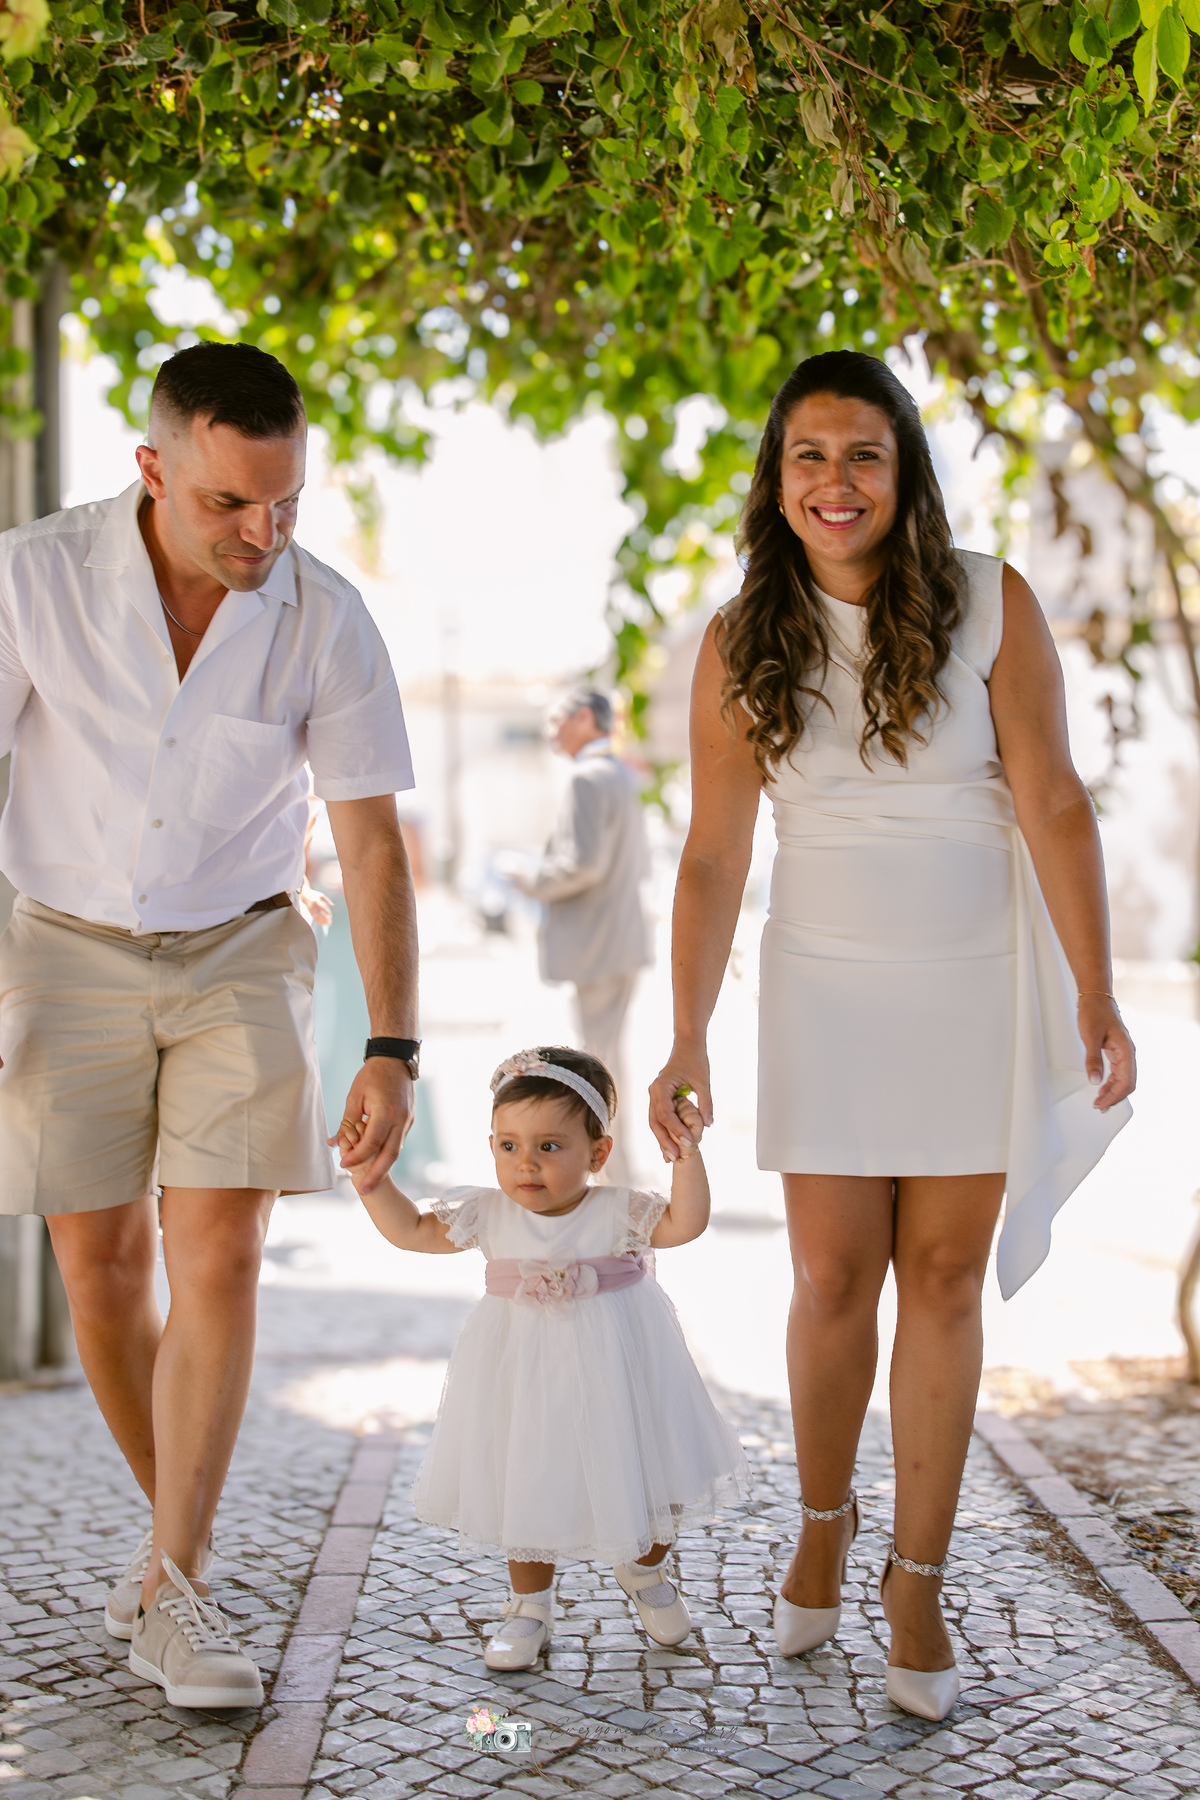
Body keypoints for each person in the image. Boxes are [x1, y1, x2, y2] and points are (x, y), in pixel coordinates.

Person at [648, 350, 1136, 1723]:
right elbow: (709, 856)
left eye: (863, 454)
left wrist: (1094, 990)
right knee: (826, 1278)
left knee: (941, 1277)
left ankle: (915, 1576)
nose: (835, 482)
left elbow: (1055, 802)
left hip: (976, 976)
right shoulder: (745, 634)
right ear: (776, 479)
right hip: (826, 982)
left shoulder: (993, 600)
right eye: (808, 457)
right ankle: (822, 1520)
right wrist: (684, 1032)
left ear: (905, 470)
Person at [0, 343, 420, 1709]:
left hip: (245, 943)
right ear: (153, 468)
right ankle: (171, 1558)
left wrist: (392, 1048)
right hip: (64, 944)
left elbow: (371, 848)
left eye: (286, 502)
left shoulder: (324, 616)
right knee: (103, 1270)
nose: (264, 532)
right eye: (232, 504)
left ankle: (175, 1584)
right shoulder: (33, 579)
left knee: (223, 1249)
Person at [337, 1044, 749, 1669]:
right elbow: (412, 1232)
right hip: (521, 1374)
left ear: (598, 1153)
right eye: (509, 1146)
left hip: (618, 1369)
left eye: (550, 1147)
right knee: (523, 1478)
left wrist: (685, 1155)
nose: (525, 1163)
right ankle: (529, 1607)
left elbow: (685, 1223)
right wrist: (371, 1178)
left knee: (637, 1469)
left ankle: (646, 1575)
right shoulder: (490, 1212)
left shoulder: (618, 1211)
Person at [511, 690, 650, 1184]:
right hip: (620, 937)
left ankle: (616, 1175)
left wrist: (530, 879)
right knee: (609, 1054)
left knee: (599, 1063)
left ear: (585, 718)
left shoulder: (589, 779)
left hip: (597, 941)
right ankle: (620, 1168)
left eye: (555, 719)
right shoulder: (621, 774)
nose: (549, 730)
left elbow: (582, 864)